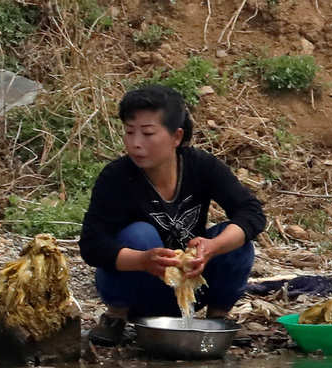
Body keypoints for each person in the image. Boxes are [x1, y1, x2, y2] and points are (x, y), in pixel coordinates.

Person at [79, 85, 266, 345]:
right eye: (130, 132)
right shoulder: (116, 177)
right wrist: (143, 260)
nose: (135, 143)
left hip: (191, 284)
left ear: (176, 137)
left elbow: (251, 213)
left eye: (147, 134)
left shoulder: (201, 166)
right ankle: (116, 317)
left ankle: (218, 318)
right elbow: (92, 245)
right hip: (137, 287)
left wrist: (212, 247)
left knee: (234, 239)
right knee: (139, 235)